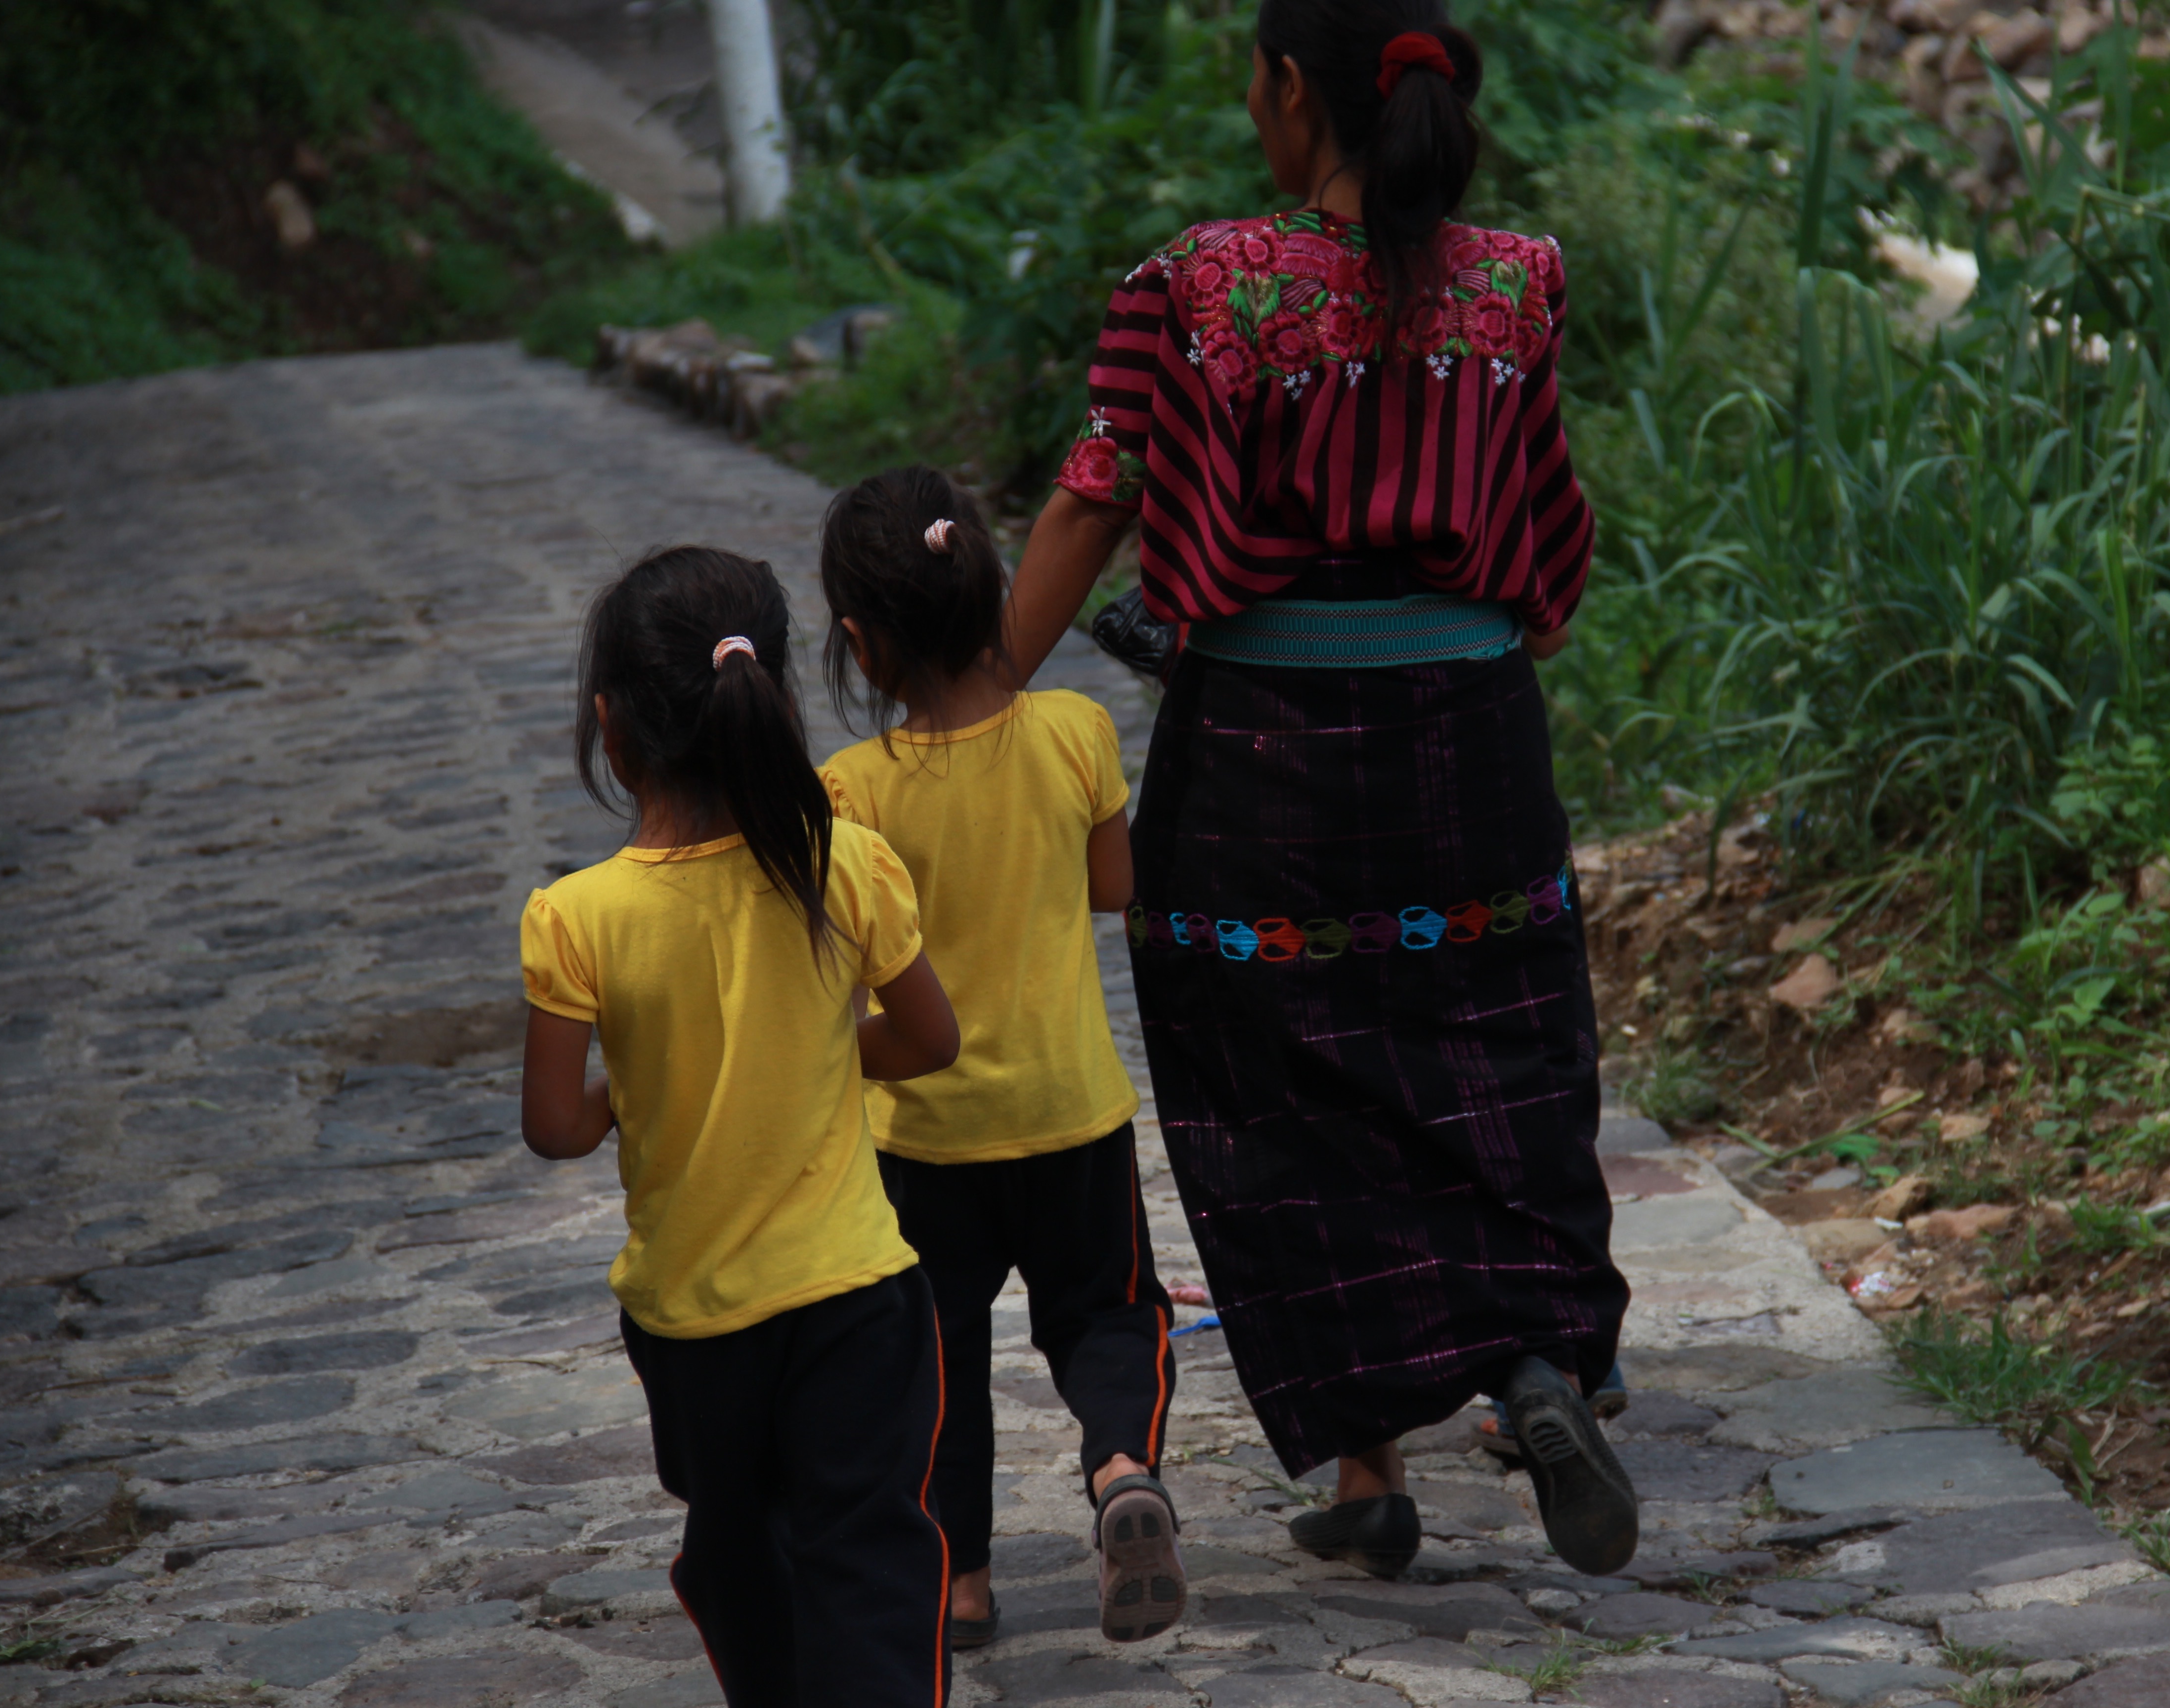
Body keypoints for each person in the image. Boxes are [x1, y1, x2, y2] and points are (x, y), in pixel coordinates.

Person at [1000, 0, 1640, 1580]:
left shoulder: (1193, 285)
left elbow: (1097, 502)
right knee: (1496, 1051)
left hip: (1266, 757)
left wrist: (969, 702)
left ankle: (1368, 1461)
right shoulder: (1518, 282)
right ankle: (1538, 1368)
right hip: (1474, 742)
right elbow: (1553, 557)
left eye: (1253, 79)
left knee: (1275, 1080)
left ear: (1294, 90)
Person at [517, 546, 962, 1704]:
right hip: (857, 1301)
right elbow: (929, 1043)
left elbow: (558, 1126)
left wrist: (642, 1094)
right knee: (868, 1553)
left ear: (612, 730)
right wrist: (818, 1057)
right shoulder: (845, 865)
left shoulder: (575, 919)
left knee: (740, 1548)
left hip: (695, 1328)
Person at [817, 468, 1185, 1648]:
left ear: (861, 648)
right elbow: (1115, 889)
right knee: (1112, 1316)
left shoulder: (852, 794)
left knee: (934, 1357)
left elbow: (841, 967)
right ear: (994, 595)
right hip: (1074, 1113)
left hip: (925, 1137)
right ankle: (1121, 1465)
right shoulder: (1076, 732)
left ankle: (962, 1584)